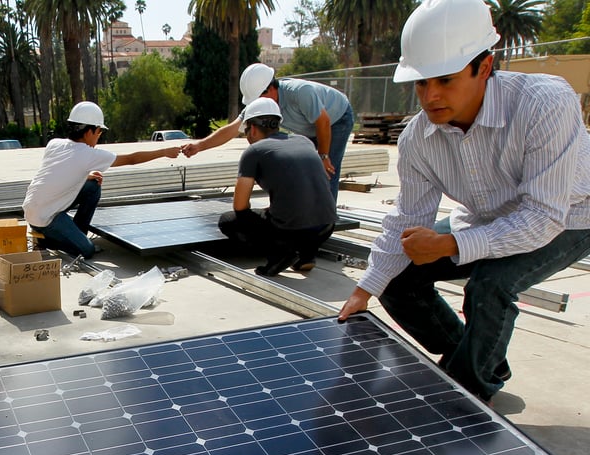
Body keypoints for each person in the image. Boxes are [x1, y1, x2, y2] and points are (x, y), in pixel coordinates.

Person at [337, 0, 590, 402]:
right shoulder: (418, 139)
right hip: (487, 216)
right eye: (421, 83)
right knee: (398, 279)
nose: (430, 95)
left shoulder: (544, 103)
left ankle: (467, 396)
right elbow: (406, 219)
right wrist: (365, 288)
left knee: (490, 286)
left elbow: (543, 216)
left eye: (445, 80)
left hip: (571, 213)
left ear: (484, 67)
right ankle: (471, 355)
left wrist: (452, 244)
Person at [23, 102, 182, 258]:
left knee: (92, 186)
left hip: (31, 211)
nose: (98, 137)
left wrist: (85, 176)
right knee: (87, 250)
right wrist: (164, 151)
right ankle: (50, 241)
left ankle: (76, 233)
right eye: (99, 132)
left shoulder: (54, 143)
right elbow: (131, 159)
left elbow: (57, 172)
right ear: (91, 131)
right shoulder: (88, 154)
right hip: (47, 218)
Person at [182, 63, 354, 202]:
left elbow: (323, 122)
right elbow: (233, 129)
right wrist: (200, 145)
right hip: (310, 126)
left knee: (326, 170)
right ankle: (302, 213)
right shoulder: (260, 105)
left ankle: (327, 219)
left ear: (271, 88)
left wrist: (323, 156)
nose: (257, 104)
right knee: (305, 169)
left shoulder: (300, 92)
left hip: (336, 119)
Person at [217, 97, 337, 276]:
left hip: (293, 229)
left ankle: (280, 254)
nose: (247, 137)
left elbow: (240, 206)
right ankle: (307, 255)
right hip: (326, 225)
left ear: (254, 129)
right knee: (287, 213)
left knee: (229, 220)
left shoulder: (254, 151)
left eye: (247, 131)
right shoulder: (304, 141)